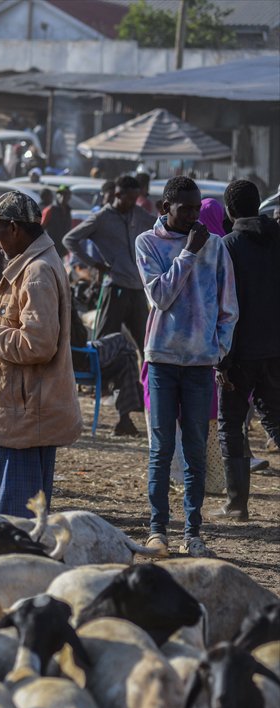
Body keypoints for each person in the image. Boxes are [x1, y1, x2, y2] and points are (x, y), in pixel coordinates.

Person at [0, 191, 82, 517]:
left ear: (14, 228)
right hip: (16, 416)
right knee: (18, 525)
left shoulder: (36, 272)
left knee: (15, 528)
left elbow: (37, 345)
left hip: (23, 421)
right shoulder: (31, 266)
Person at [136, 176, 238, 558]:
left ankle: (193, 532)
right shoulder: (147, 243)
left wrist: (217, 349)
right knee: (162, 450)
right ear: (166, 209)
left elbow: (229, 308)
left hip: (199, 365)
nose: (196, 217)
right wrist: (188, 253)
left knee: (195, 451)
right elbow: (160, 296)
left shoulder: (216, 247)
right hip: (162, 360)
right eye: (187, 209)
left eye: (199, 209)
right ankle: (157, 529)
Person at [214, 180, 280, 521]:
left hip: (239, 353)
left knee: (231, 425)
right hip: (275, 350)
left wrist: (222, 360)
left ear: (229, 210)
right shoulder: (277, 236)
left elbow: (224, 306)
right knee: (275, 420)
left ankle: (236, 504)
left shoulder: (228, 245)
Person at [63, 174, 155, 353]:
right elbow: (69, 240)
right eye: (129, 199)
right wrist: (94, 264)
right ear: (118, 195)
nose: (133, 203)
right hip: (115, 287)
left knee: (147, 345)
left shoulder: (137, 213)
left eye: (135, 199)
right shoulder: (101, 218)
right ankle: (100, 380)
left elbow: (158, 227)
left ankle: (143, 380)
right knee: (103, 343)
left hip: (137, 289)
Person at [70, 302, 144, 436]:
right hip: (85, 358)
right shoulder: (66, 308)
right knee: (122, 341)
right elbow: (80, 338)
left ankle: (125, 420)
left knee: (126, 360)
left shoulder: (54, 309)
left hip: (82, 355)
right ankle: (127, 415)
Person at [42, 185, 72, 257]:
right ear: (57, 195)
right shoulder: (50, 210)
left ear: (69, 196)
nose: (63, 196)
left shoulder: (68, 211)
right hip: (50, 248)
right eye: (61, 194)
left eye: (65, 194)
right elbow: (41, 228)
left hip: (62, 248)